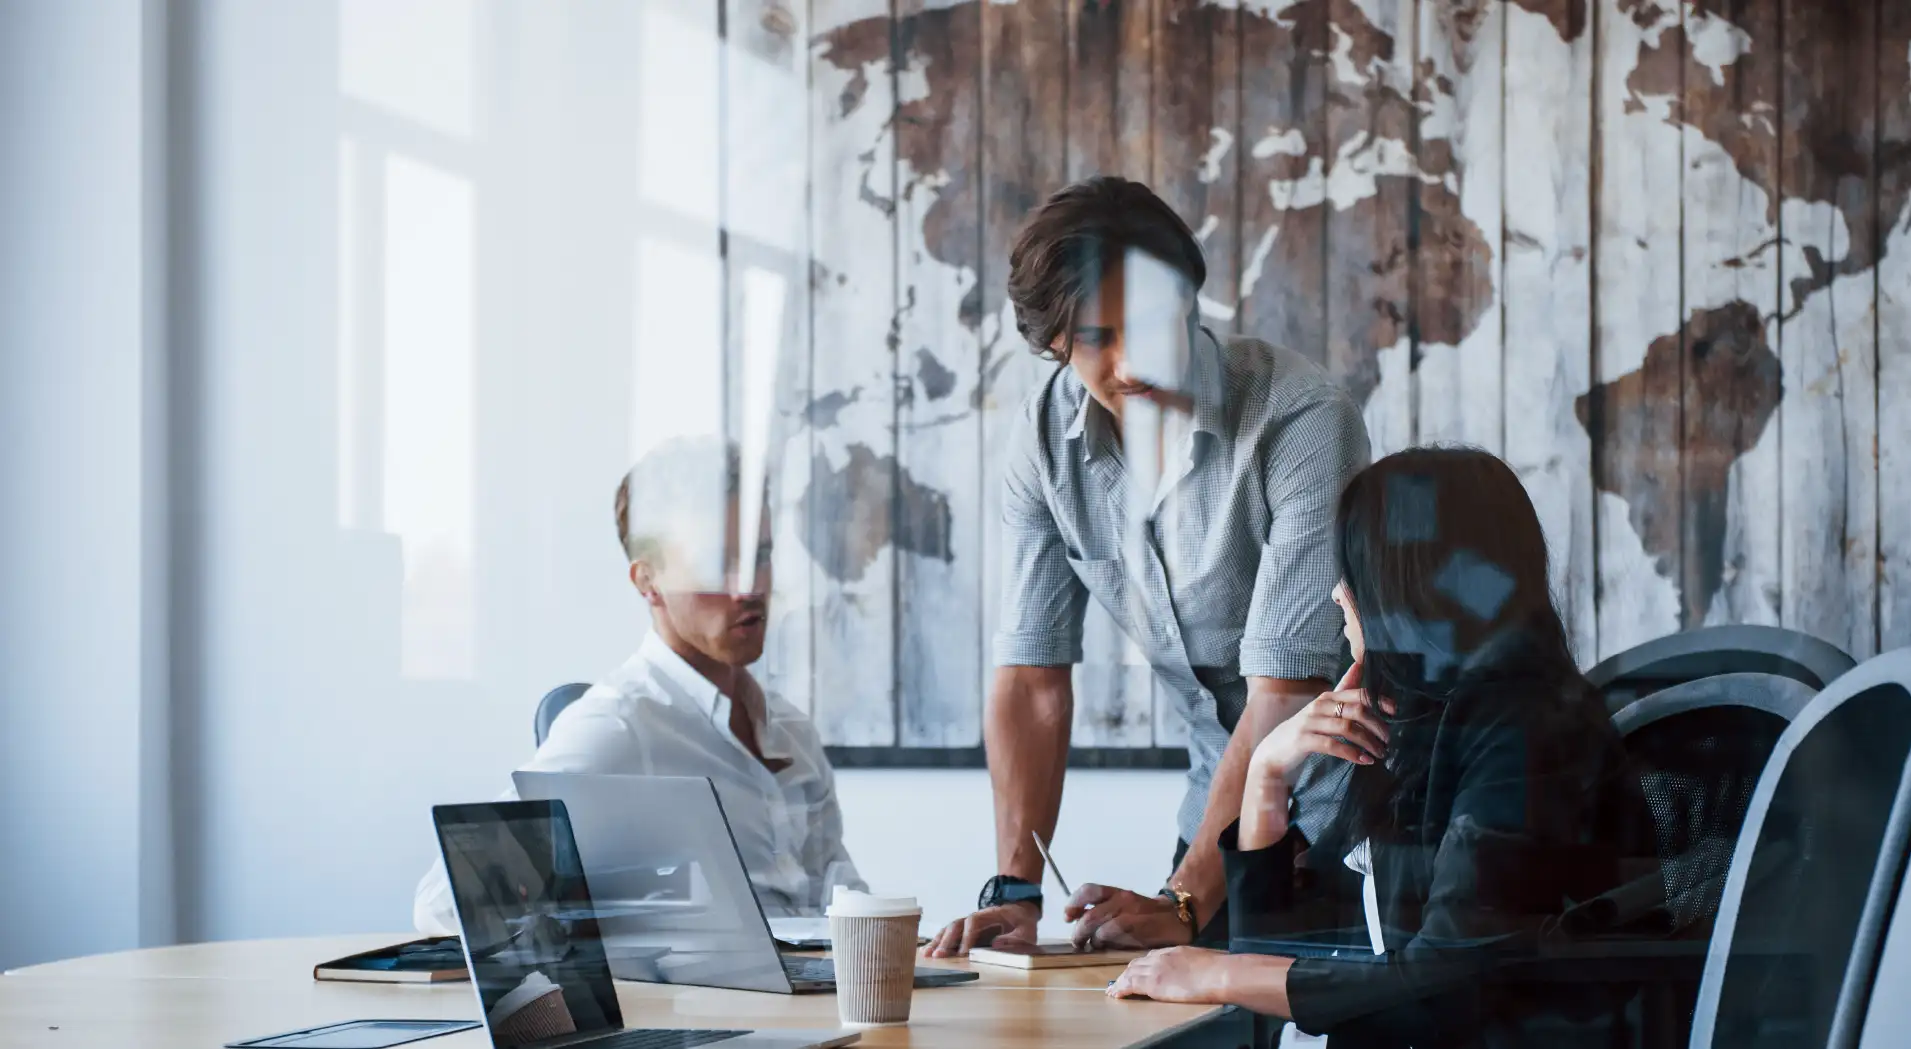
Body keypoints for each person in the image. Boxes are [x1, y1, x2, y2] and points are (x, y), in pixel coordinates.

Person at [926, 176, 1371, 956]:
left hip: (1353, 818)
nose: (1131, 363)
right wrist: (1016, 888)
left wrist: (1182, 899)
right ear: (1053, 340)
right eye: (1097, 336)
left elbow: (1283, 688)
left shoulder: (1300, 419)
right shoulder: (1042, 440)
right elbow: (1032, 678)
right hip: (1213, 811)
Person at [1107, 447, 1662, 1046]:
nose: (1340, 596)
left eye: (1355, 572)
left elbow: (1445, 988)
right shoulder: (1428, 723)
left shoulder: (1525, 733)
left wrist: (1219, 971)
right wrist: (1268, 774)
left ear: (1409, 586)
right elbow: (1281, 950)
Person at [413, 437, 863, 935]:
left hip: (831, 998)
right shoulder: (619, 726)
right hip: (717, 1007)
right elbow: (442, 904)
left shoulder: (792, 731)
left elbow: (842, 901)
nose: (751, 586)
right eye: (719, 562)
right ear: (648, 581)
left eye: (761, 554)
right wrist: (614, 923)